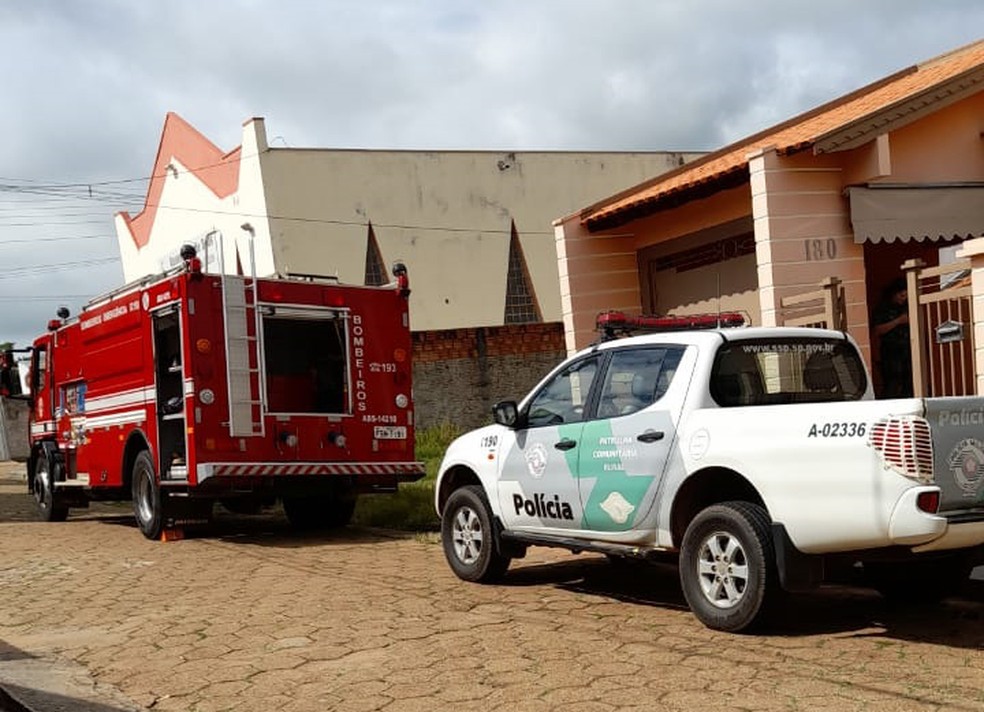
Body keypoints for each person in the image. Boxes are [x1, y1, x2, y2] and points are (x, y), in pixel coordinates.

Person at [872, 278, 912, 398]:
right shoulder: (883, 309)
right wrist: (899, 321)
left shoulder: (907, 307)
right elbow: (878, 330)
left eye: (906, 296)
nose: (903, 298)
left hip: (907, 351)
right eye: (901, 295)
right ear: (894, 294)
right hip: (891, 353)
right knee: (892, 384)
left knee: (909, 382)